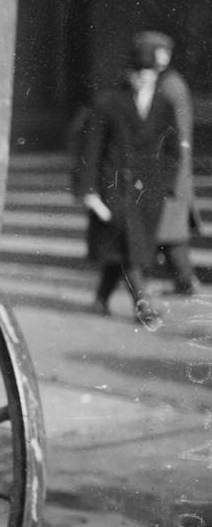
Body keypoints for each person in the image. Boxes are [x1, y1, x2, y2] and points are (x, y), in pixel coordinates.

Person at [74, 44, 181, 330]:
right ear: (128, 73)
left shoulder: (163, 105)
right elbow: (91, 150)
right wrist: (89, 192)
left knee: (125, 249)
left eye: (149, 72)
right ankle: (143, 307)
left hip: (148, 192)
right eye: (138, 71)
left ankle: (101, 297)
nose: (143, 77)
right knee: (129, 246)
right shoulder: (107, 103)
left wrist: (164, 183)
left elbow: (173, 149)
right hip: (114, 188)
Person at [136, 31, 202, 296]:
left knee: (169, 228)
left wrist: (173, 176)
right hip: (165, 170)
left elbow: (179, 135)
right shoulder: (163, 82)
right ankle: (183, 280)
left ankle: (184, 281)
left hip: (170, 171)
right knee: (168, 229)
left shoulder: (170, 85)